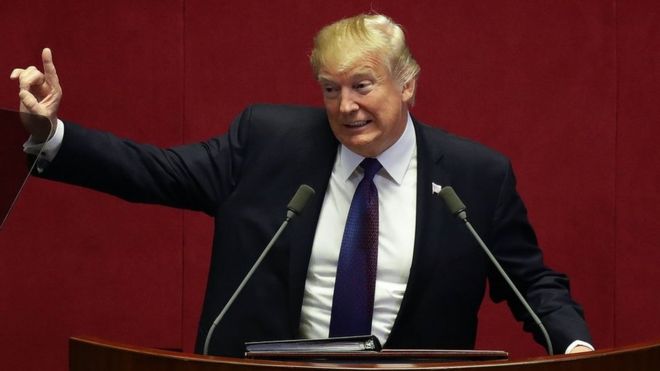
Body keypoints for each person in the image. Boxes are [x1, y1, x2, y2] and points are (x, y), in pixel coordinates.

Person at [10, 14, 593, 356]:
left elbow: (530, 281)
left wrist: (574, 347)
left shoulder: (475, 176)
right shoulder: (267, 140)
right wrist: (50, 133)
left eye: (363, 85)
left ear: (408, 83)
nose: (346, 106)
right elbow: (154, 171)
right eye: (330, 89)